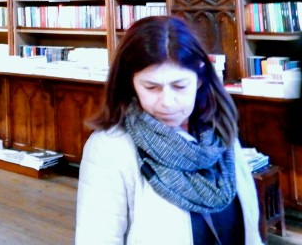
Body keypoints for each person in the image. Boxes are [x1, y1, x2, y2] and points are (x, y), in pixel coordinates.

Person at [75, 15, 261, 245]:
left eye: (180, 85)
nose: (168, 102)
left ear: (200, 78)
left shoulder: (219, 131)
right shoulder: (110, 149)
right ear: (130, 83)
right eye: (151, 87)